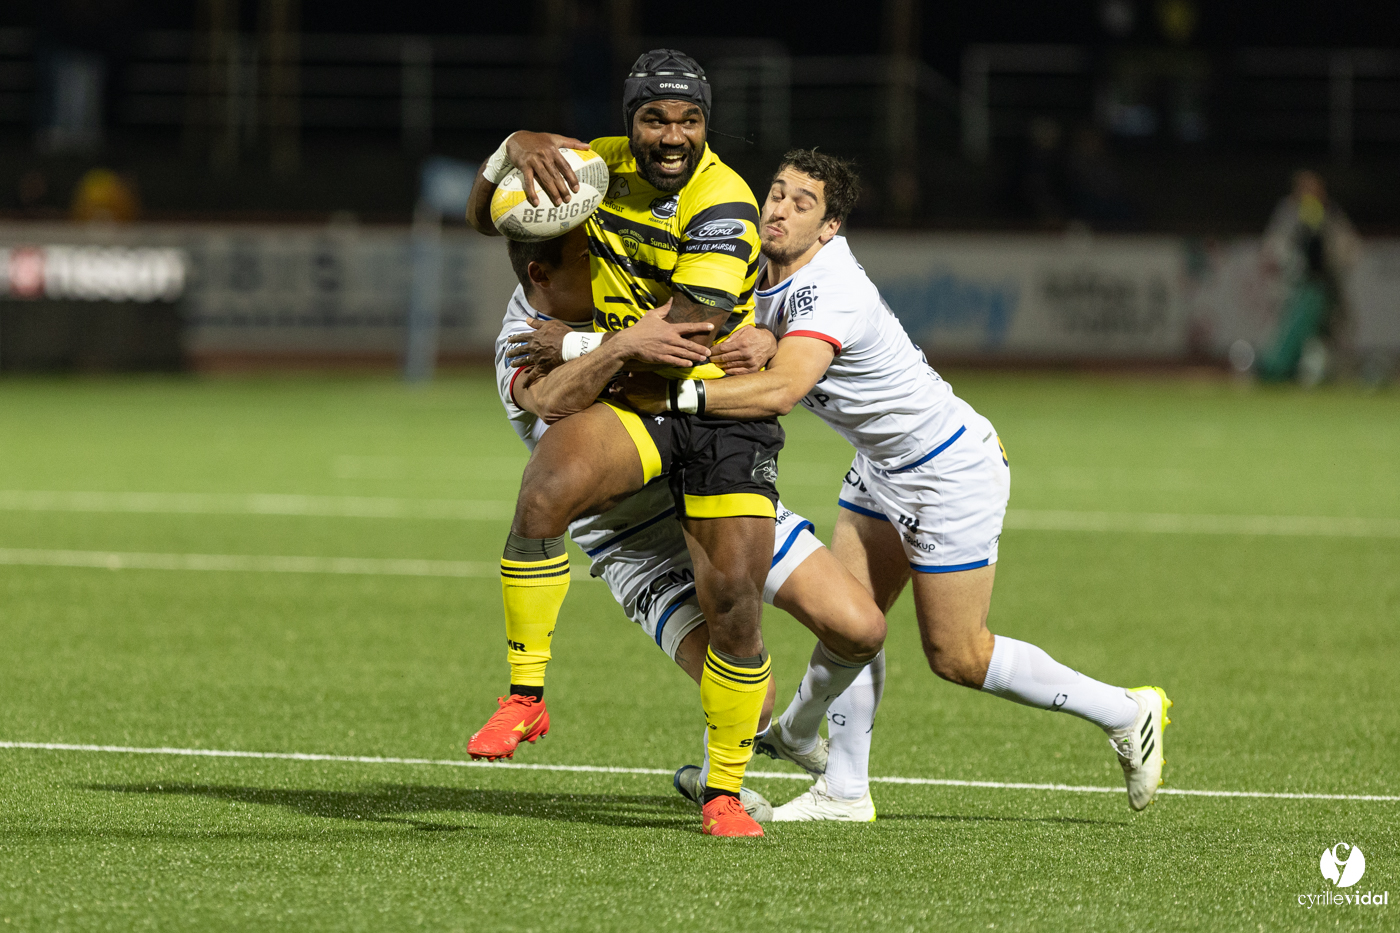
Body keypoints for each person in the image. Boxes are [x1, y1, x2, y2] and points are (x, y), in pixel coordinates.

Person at [616, 149, 1173, 815]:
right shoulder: (763, 273)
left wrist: (677, 402)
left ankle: (1124, 710)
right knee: (851, 620)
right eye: (777, 193)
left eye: (803, 203)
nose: (780, 209)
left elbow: (786, 388)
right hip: (882, 466)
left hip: (948, 471)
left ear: (830, 228)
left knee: (957, 654)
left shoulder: (830, 285)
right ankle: (844, 789)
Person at [462, 49, 855, 836]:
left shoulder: (723, 203)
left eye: (689, 119)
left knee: (770, 610)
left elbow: (683, 333)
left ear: (705, 126)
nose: (671, 134)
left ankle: (727, 789)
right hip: (635, 475)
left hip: (710, 411)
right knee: (545, 488)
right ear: (628, 122)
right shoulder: (573, 217)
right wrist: (517, 142)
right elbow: (486, 214)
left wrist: (584, 344)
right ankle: (525, 698)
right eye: (653, 118)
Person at [489, 227, 887, 822]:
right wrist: (609, 347)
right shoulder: (522, 338)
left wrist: (763, 338)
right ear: (541, 277)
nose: (599, 267)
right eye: (583, 261)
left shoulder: (623, 292)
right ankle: (713, 783)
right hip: (636, 544)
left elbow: (711, 321)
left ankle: (798, 735)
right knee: (751, 704)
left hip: (709, 487)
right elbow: (551, 400)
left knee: (860, 629)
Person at [1255, 170, 1360, 384]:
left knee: (1329, 335)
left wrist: (1330, 257)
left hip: (1326, 286)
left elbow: (1350, 248)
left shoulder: (1330, 212)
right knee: (1291, 331)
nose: (1312, 193)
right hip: (1296, 287)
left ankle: (1322, 375)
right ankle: (1278, 370)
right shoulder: (1289, 211)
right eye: (1306, 188)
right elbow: (1274, 247)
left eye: (1315, 189)